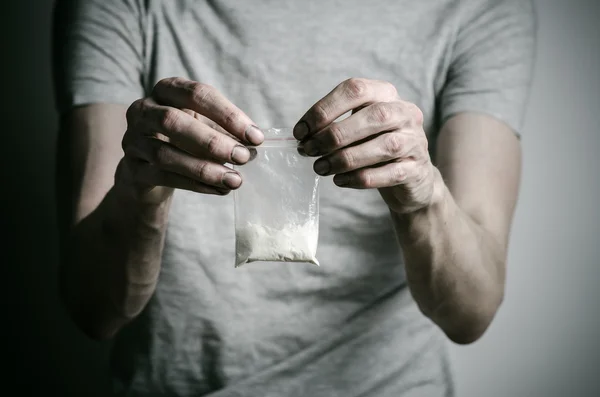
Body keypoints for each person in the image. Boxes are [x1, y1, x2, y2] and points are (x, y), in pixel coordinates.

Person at [52, 0, 536, 395]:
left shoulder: (480, 9)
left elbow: (471, 313)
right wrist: (143, 193)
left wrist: (421, 194)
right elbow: (94, 310)